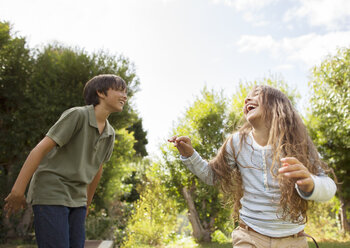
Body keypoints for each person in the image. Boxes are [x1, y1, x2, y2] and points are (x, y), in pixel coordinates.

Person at [168, 85, 336, 248]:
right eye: (248, 96)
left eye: (257, 94)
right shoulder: (236, 143)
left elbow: (329, 187)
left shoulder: (298, 144)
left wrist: (311, 184)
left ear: (276, 105)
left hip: (292, 239)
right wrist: (189, 155)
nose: (247, 98)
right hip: (250, 235)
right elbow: (212, 176)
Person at [4, 74, 128, 248]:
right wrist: (18, 190)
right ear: (100, 92)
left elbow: (97, 168)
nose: (124, 96)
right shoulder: (77, 115)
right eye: (119, 90)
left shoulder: (110, 133)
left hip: (77, 198)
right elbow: (39, 149)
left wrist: (86, 204)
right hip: (52, 190)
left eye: (126, 92)